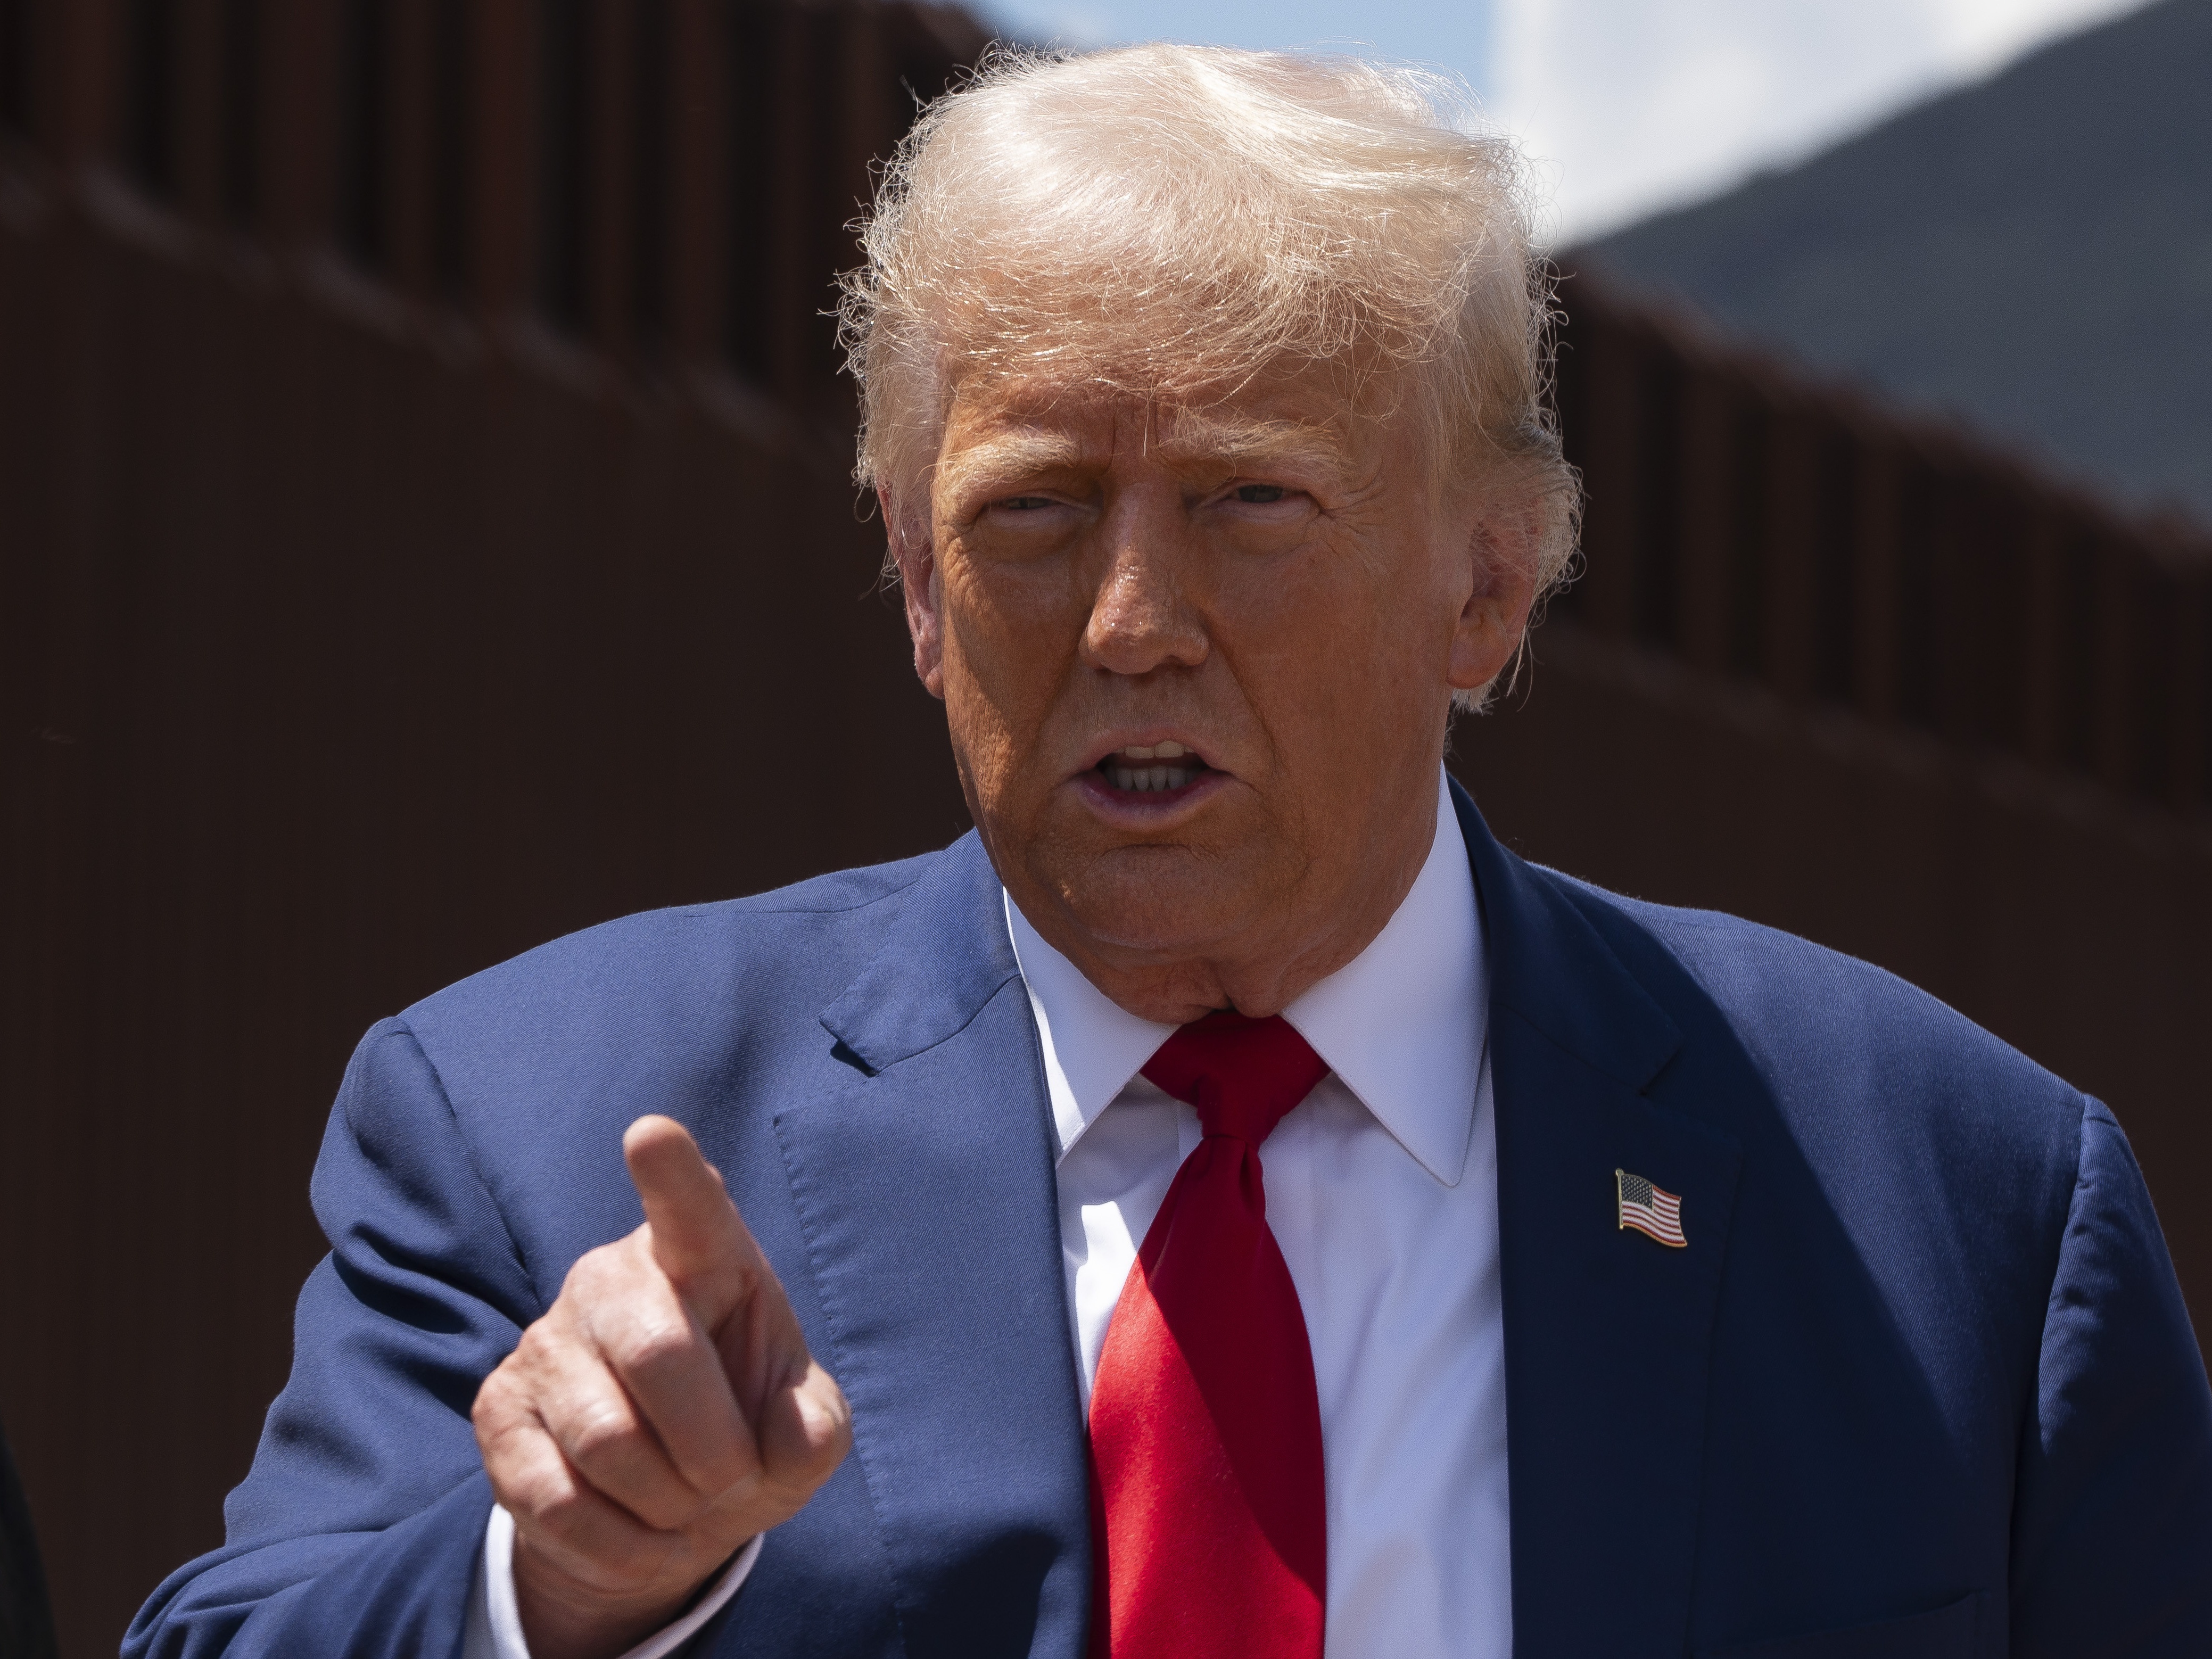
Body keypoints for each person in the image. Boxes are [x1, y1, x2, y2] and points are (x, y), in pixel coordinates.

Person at [130, 43, 2211, 1659]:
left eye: (1249, 504)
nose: (1131, 620)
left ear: (1487, 589)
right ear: (918, 591)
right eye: (1032, 512)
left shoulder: (1956, 1209)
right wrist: (555, 1583)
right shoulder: (534, 1124)